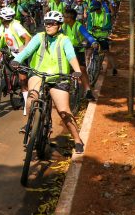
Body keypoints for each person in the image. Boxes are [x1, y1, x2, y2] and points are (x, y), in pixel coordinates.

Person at [12, 10, 86, 154]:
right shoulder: (39, 37)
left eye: (51, 24)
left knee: (64, 112)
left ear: (59, 25)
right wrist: (17, 60)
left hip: (59, 78)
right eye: (46, 23)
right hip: (38, 74)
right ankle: (31, 124)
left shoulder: (64, 40)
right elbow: (27, 51)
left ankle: (77, 139)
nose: (48, 26)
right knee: (32, 98)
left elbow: (71, 55)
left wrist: (76, 70)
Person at [62, 7, 98, 100]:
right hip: (66, 50)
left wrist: (93, 42)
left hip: (78, 49)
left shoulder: (79, 26)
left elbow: (87, 35)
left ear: (71, 18)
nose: (63, 18)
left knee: (82, 69)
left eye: (65, 17)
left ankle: (88, 91)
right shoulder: (63, 26)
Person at [86, 0, 117, 76]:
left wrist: (100, 28)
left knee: (106, 52)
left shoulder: (106, 15)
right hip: (93, 37)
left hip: (103, 37)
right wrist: (91, 28)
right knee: (88, 54)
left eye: (97, 9)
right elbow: (89, 25)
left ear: (100, 8)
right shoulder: (91, 15)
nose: (96, 11)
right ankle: (88, 69)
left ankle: (114, 68)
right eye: (95, 9)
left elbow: (109, 26)